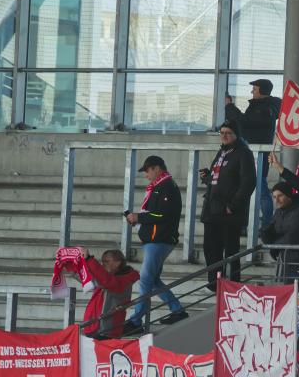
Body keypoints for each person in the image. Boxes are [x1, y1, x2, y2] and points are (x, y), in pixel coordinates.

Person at [123, 155, 187, 332]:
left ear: (157, 168)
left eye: (148, 170)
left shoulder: (166, 186)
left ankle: (136, 322)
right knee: (153, 280)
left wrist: (139, 217)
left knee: (145, 279)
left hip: (159, 240)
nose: (146, 175)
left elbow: (162, 214)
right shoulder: (160, 186)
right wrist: (138, 219)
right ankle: (178, 310)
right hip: (156, 239)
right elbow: (157, 214)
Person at [201, 122, 256, 289]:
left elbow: (248, 182)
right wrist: (207, 177)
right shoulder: (222, 152)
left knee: (230, 251)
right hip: (212, 210)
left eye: (228, 133)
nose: (224, 136)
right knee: (211, 249)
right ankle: (214, 283)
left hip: (229, 213)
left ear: (236, 135)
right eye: (222, 132)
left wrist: (233, 205)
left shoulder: (243, 153)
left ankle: (232, 285)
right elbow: (219, 179)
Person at [225, 79, 282, 228]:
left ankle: (266, 225)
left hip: (257, 155)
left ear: (262, 91)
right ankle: (251, 224)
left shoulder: (264, 109)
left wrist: (229, 106)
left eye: (255, 89)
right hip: (253, 154)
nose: (252, 91)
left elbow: (244, 122)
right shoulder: (264, 107)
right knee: (251, 188)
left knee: (260, 189)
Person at [259, 173, 299, 290]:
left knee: (297, 294)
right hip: (286, 262)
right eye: (274, 197)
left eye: (280, 196)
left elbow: (292, 237)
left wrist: (274, 247)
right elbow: (272, 230)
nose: (276, 200)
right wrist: (265, 234)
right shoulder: (279, 212)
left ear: (289, 196)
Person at [80, 249, 140, 339]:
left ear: (118, 263)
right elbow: (86, 277)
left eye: (106, 261)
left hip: (106, 330)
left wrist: (89, 260)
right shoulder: (105, 278)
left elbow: (108, 281)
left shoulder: (123, 280)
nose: (103, 264)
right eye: (102, 261)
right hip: (95, 326)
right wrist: (71, 263)